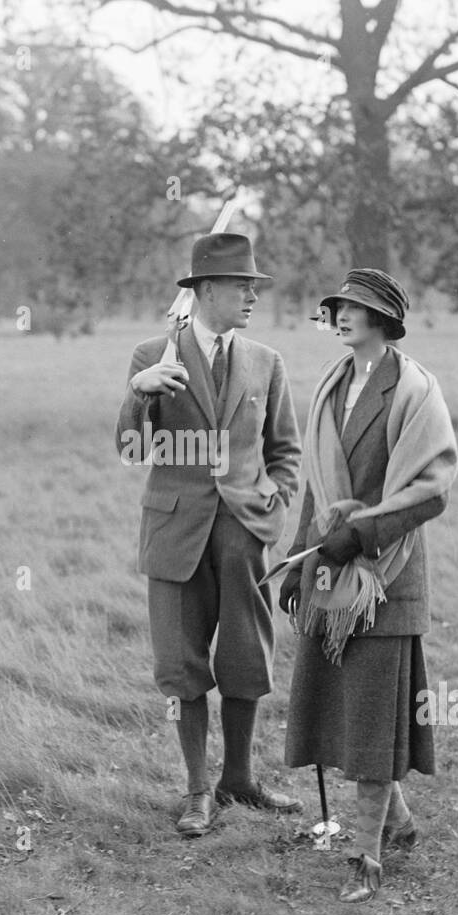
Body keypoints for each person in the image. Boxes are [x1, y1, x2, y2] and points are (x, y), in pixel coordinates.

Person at [116, 232, 303, 837]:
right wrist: (137, 397)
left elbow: (286, 452)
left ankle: (239, 780)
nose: (252, 295)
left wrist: (272, 501)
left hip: (243, 537)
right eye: (241, 285)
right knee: (180, 666)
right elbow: (130, 448)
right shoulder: (152, 356)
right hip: (174, 534)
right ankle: (197, 790)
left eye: (255, 285)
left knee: (247, 659)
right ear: (203, 291)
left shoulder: (266, 361)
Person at [282, 270, 458, 903]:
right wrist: (300, 566)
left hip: (385, 577)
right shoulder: (331, 384)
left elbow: (431, 491)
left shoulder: (415, 390)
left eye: (356, 308)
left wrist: (361, 536)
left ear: (383, 319)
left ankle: (368, 859)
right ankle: (400, 822)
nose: (342, 315)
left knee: (374, 718)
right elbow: (316, 486)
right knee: (351, 711)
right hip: (331, 572)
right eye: (338, 307)